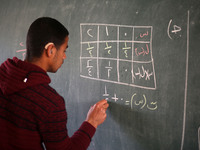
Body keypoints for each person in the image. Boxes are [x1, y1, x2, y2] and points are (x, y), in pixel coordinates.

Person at [0, 17, 109, 150]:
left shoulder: (3, 75)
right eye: (64, 50)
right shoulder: (48, 102)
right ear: (50, 50)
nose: (64, 56)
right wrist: (92, 122)